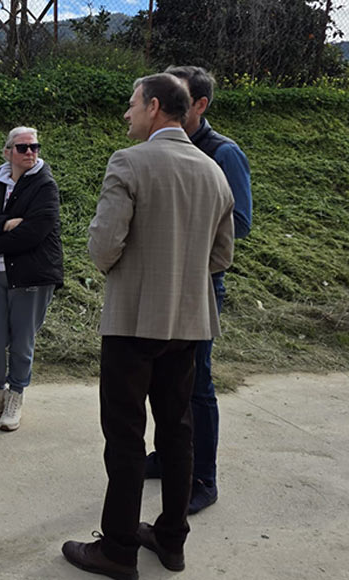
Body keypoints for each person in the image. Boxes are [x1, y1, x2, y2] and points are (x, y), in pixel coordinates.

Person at [61, 73, 234, 579]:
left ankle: (117, 550)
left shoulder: (128, 162)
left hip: (133, 321)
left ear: (155, 107)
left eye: (132, 104)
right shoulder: (213, 171)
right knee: (178, 433)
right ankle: (171, 539)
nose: (127, 114)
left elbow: (102, 247)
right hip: (188, 323)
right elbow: (221, 255)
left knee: (125, 436)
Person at [142, 65, 254, 514]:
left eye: (180, 96)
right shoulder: (162, 147)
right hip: (160, 284)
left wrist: (180, 243)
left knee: (197, 383)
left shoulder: (222, 153)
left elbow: (239, 222)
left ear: (200, 105)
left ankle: (202, 478)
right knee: (162, 378)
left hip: (199, 285)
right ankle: (169, 457)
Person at [0, 126, 63, 432]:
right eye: (22, 148)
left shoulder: (45, 184)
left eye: (35, 146)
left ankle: (15, 395)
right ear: (8, 152)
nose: (30, 152)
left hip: (31, 275)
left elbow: (36, 230)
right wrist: (6, 223)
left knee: (22, 342)